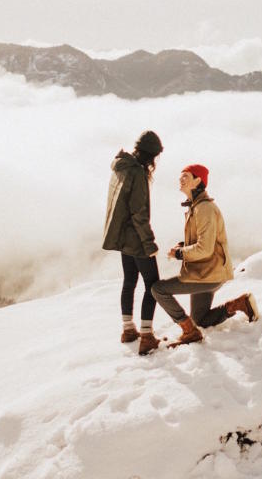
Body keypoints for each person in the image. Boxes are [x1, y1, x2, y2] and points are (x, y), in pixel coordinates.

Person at [152, 164, 259, 348]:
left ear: (198, 180)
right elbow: (204, 242)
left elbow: (205, 249)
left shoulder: (204, 209)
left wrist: (180, 253)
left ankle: (188, 331)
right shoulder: (197, 207)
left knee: (159, 290)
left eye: (185, 176)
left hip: (207, 274)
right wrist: (183, 246)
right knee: (200, 319)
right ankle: (240, 304)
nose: (180, 179)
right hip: (208, 272)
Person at [102, 130, 164, 356]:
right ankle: (147, 336)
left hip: (122, 237)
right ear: (150, 155)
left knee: (130, 280)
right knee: (153, 284)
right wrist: (149, 243)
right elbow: (139, 213)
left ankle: (128, 329)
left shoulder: (121, 166)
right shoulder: (137, 173)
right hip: (136, 238)